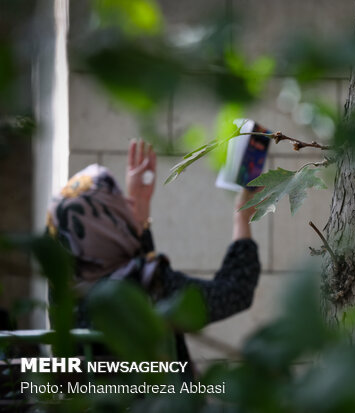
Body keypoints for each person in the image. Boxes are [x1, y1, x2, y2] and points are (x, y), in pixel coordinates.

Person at [45, 139, 260, 372]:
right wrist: (243, 215)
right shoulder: (141, 284)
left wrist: (139, 209)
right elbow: (234, 291)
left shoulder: (64, 290)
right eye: (117, 205)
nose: (128, 201)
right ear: (106, 228)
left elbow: (127, 266)